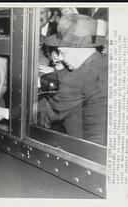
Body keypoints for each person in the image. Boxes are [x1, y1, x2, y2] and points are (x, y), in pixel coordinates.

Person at [37, 13, 108, 145]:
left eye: (63, 53)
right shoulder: (102, 62)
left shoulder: (80, 79)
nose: (61, 58)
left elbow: (44, 118)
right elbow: (65, 74)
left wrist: (6, 113)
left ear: (77, 49)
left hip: (84, 152)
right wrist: (40, 80)